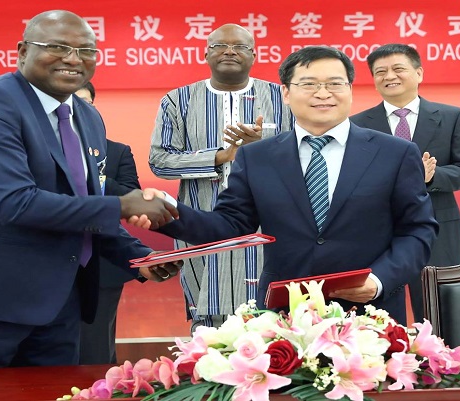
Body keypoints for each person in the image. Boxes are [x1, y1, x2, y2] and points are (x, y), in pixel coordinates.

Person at [0, 10, 181, 368]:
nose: (73, 59)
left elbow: (83, 202)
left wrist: (138, 258)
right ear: (23, 51)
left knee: (55, 391)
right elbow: (15, 203)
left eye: (86, 50)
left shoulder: (87, 115)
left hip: (59, 302)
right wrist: (122, 205)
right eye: (58, 47)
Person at [137, 46, 438, 325]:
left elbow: (417, 230)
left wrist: (379, 280)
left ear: (350, 89)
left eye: (335, 83)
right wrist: (168, 211)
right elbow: (229, 225)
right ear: (285, 93)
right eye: (309, 84)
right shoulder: (257, 156)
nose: (323, 93)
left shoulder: (395, 153)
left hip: (371, 316)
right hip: (284, 318)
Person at [148, 23, 293, 329]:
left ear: (254, 55)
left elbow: (305, 155)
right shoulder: (178, 100)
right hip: (200, 216)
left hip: (269, 219)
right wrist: (220, 156)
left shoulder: (282, 98)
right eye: (219, 46)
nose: (229, 51)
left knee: (272, 315)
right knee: (207, 320)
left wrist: (262, 149)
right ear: (205, 54)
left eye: (239, 46)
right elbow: (160, 161)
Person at [350, 44, 460, 322]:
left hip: (437, 228)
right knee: (378, 315)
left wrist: (432, 176)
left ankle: (441, 353)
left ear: (418, 73)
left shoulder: (452, 117)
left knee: (440, 311)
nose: (389, 76)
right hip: (377, 231)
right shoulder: (356, 125)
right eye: (380, 72)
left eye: (398, 69)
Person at [75, 82, 141, 364]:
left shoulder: (116, 151)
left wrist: (94, 178)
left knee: (96, 349)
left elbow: (132, 197)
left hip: (103, 261)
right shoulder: (37, 149)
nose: (78, 109)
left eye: (85, 103)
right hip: (48, 265)